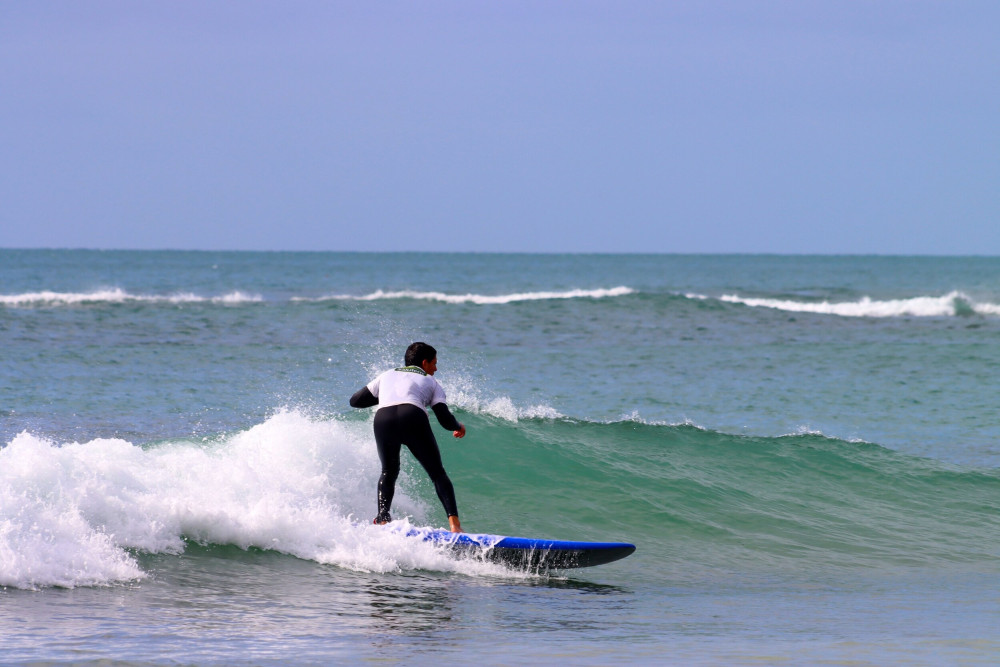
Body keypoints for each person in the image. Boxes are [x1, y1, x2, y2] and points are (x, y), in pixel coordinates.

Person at [350, 342, 466, 533]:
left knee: (388, 471)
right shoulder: (431, 382)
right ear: (424, 362)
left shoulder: (386, 375)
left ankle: (382, 519)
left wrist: (387, 396)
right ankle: (455, 526)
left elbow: (355, 401)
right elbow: (444, 419)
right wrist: (458, 426)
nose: (436, 369)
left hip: (383, 419)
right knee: (437, 474)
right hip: (412, 417)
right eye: (434, 363)